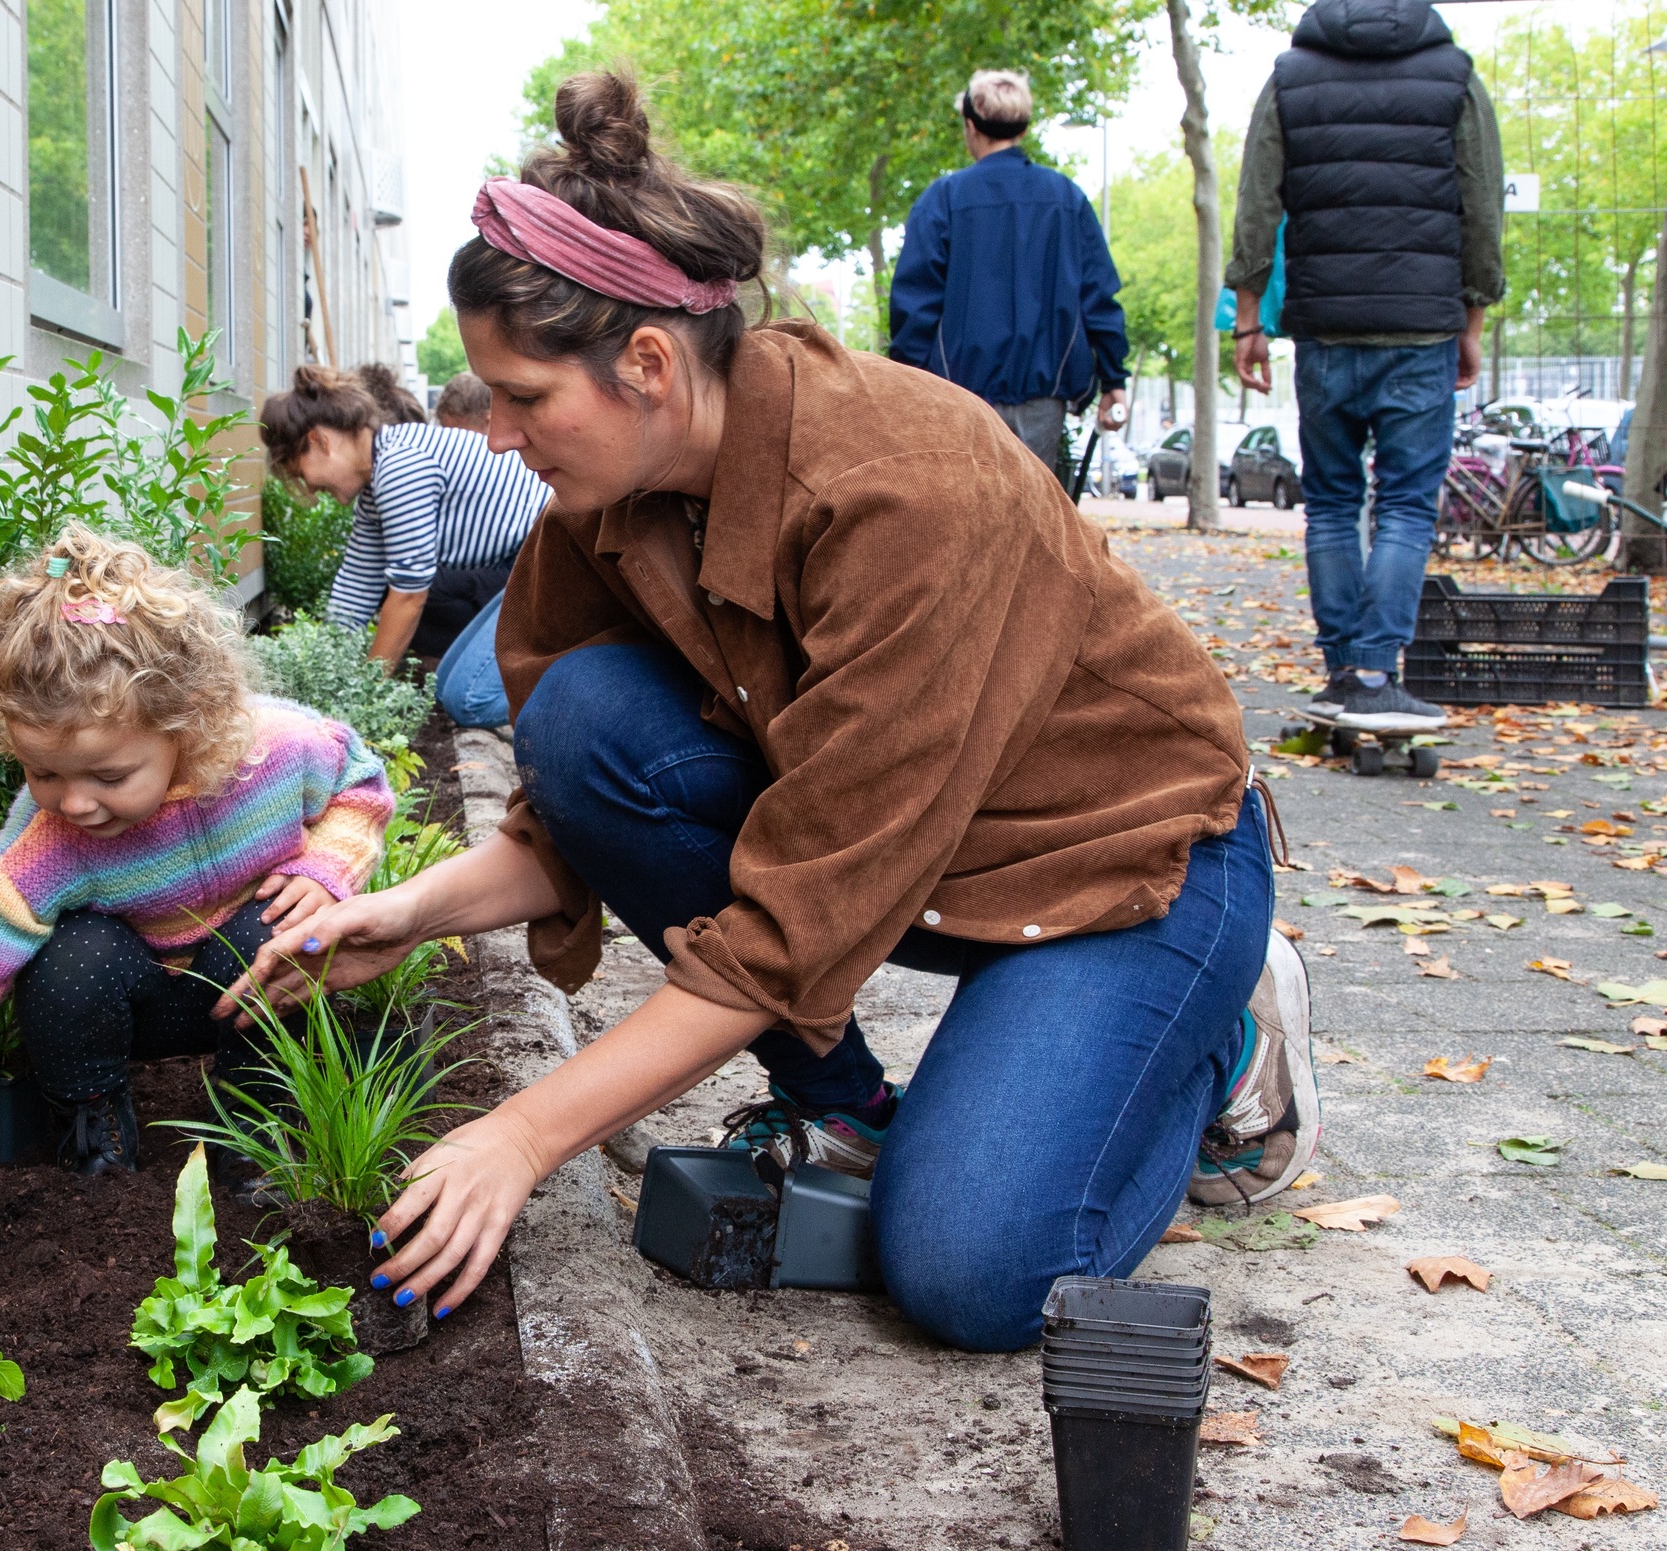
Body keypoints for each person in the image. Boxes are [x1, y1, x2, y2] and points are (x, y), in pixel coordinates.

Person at [223, 71, 1321, 1354]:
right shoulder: (603, 496)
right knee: (581, 718)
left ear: (644, 363)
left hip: (1124, 867)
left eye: (524, 399)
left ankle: (1216, 1039)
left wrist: (521, 1133)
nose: (498, 438)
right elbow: (576, 809)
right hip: (915, 864)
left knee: (973, 1274)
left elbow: (800, 917)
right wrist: (406, 917)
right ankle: (851, 1108)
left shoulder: (905, 490)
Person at [0, 526, 394, 1281]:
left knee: (282, 923)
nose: (76, 802)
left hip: (245, 976)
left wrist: (328, 867)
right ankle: (97, 1140)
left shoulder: (275, 751)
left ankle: (255, 1128)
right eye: (43, 772)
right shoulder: (46, 839)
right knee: (67, 954)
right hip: (127, 1000)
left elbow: (361, 784)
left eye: (109, 775)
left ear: (184, 720)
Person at [1231, 0, 1503, 735]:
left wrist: (1249, 317)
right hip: (1422, 327)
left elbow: (1258, 200)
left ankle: (1343, 671)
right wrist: (1473, 318)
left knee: (1329, 501)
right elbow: (1481, 206)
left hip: (1324, 328)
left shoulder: (1290, 77)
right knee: (1407, 503)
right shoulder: (1455, 76)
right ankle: (1379, 673)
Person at [259, 365, 549, 730]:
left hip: (553, 554)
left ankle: (573, 680)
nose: (312, 490)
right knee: (444, 683)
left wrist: (363, 700)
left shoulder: (399, 467)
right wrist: (325, 669)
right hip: (520, 561)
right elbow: (355, 587)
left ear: (319, 441)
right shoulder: (377, 479)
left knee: (469, 699)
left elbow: (409, 595)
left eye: (302, 474)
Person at [887, 69, 1130, 479]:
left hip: (958, 397)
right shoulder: (1066, 199)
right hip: (1044, 396)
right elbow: (1097, 294)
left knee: (966, 517)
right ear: (1024, 128)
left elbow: (914, 305)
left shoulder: (944, 200)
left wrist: (904, 386)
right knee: (1033, 520)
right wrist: (1113, 379)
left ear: (970, 126)